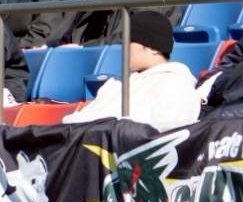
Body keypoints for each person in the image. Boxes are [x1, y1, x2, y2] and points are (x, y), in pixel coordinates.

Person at [64, 11, 200, 130]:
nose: (123, 47)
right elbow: (80, 121)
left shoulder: (176, 87)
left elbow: (159, 137)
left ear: (153, 48)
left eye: (129, 41)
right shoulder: (116, 83)